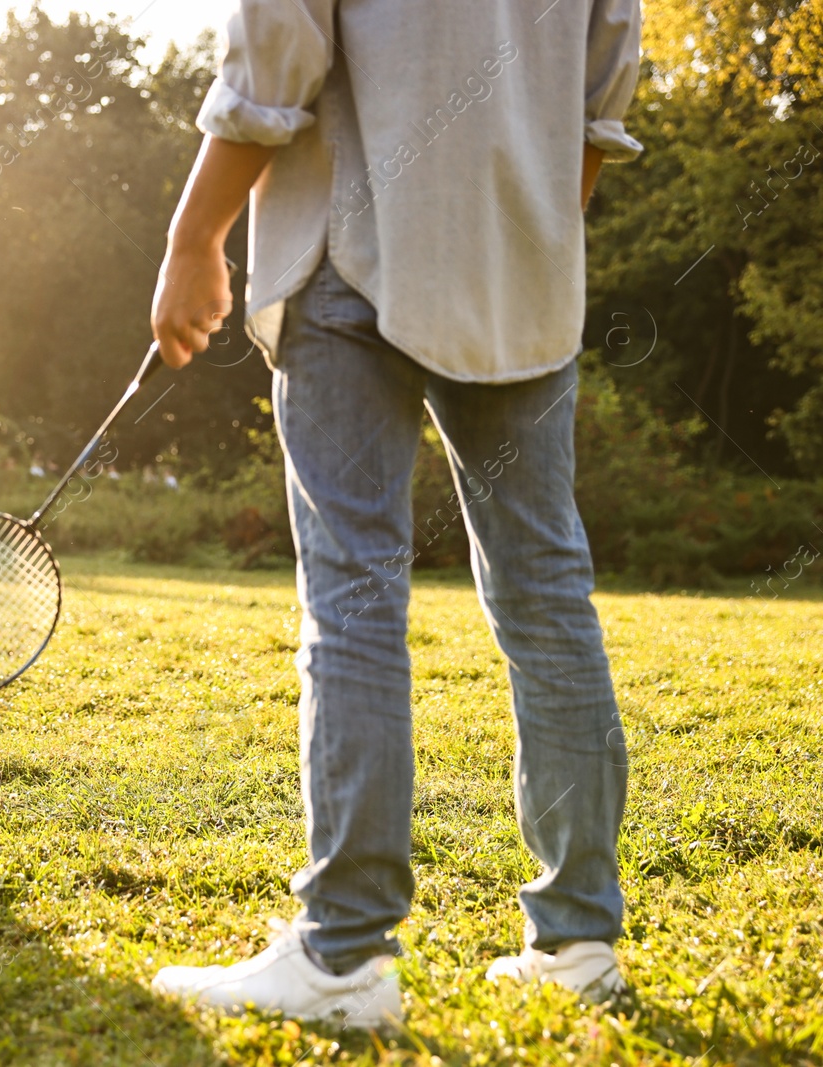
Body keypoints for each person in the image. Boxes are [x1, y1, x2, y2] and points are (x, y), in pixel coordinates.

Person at [147, 0, 644, 1027]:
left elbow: (273, 57)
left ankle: (342, 955)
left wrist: (193, 234)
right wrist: (526, 237)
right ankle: (579, 940)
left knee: (354, 593)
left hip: (354, 257)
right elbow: (600, 92)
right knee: (547, 588)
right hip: (520, 273)